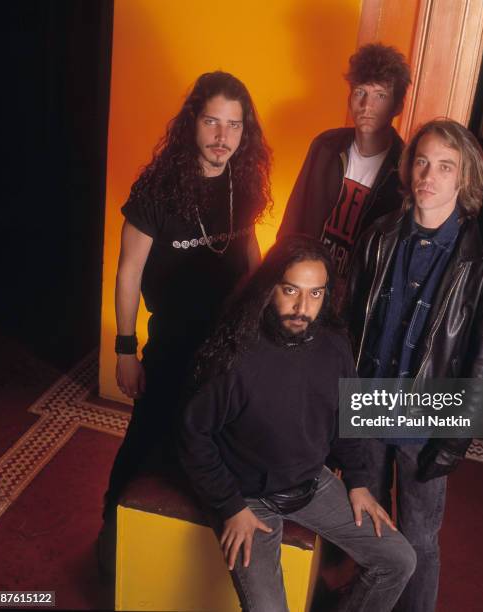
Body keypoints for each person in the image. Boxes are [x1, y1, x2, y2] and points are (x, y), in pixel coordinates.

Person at [178, 235, 416, 612]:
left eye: (316, 294)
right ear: (270, 287)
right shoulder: (235, 356)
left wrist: (359, 482)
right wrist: (230, 505)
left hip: (311, 483)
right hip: (248, 498)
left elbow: (348, 418)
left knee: (400, 559)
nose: (303, 307)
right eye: (291, 290)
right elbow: (194, 437)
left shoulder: (334, 345)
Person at [99, 71, 272, 572]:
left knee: (211, 443)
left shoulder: (245, 183)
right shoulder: (156, 189)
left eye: (234, 126)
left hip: (229, 343)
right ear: (192, 123)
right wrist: (125, 349)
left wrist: (262, 322)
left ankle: (181, 550)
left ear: (245, 132)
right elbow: (128, 271)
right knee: (148, 434)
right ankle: (111, 529)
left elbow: (251, 250)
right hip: (172, 341)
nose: (223, 137)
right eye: (213, 122)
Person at [344, 119, 483, 611]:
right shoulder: (378, 238)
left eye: (445, 166)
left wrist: (454, 441)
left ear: (464, 179)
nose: (429, 175)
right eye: (422, 161)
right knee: (369, 529)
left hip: (426, 422)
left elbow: (482, 373)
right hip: (371, 406)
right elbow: (349, 328)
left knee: (419, 538)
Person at [277, 43, 411, 286]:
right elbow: (293, 219)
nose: (367, 106)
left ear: (398, 105)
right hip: (306, 283)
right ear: (350, 97)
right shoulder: (325, 146)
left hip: (355, 296)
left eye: (380, 95)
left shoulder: (405, 169)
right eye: (360, 92)